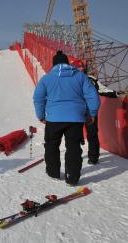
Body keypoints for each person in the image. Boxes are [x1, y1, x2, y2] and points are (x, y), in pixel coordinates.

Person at [33, 51, 100, 186]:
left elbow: (38, 98)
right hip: (75, 118)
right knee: (73, 147)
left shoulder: (46, 79)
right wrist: (91, 113)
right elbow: (93, 96)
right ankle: (73, 177)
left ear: (54, 64)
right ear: (67, 63)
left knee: (51, 145)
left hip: (53, 118)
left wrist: (40, 116)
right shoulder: (80, 77)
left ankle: (53, 172)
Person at [71, 59, 126, 165]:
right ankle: (76, 156)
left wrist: (116, 94)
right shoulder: (69, 80)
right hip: (75, 110)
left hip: (90, 111)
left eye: (82, 67)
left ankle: (93, 157)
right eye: (79, 67)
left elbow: (102, 89)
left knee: (92, 133)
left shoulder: (91, 79)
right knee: (74, 134)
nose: (81, 69)